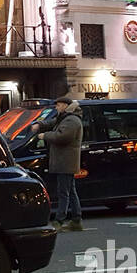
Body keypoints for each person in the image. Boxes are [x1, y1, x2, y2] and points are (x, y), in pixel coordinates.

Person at [32, 97, 85, 232]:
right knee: (71, 191)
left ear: (65, 106)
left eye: (58, 105)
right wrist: (40, 124)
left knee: (64, 193)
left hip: (65, 161)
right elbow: (52, 122)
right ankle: (76, 220)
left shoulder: (72, 120)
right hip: (64, 161)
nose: (56, 107)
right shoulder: (65, 118)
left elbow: (62, 137)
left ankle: (59, 221)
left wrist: (44, 136)